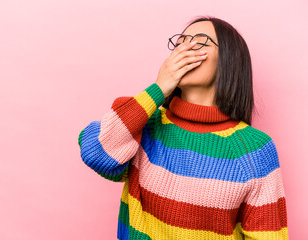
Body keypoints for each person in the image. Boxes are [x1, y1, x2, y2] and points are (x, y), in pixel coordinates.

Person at [78, 15, 289, 240]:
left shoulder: (254, 149)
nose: (184, 49)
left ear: (229, 59)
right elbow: (97, 153)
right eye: (180, 42)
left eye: (199, 41)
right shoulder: (145, 124)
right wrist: (159, 88)